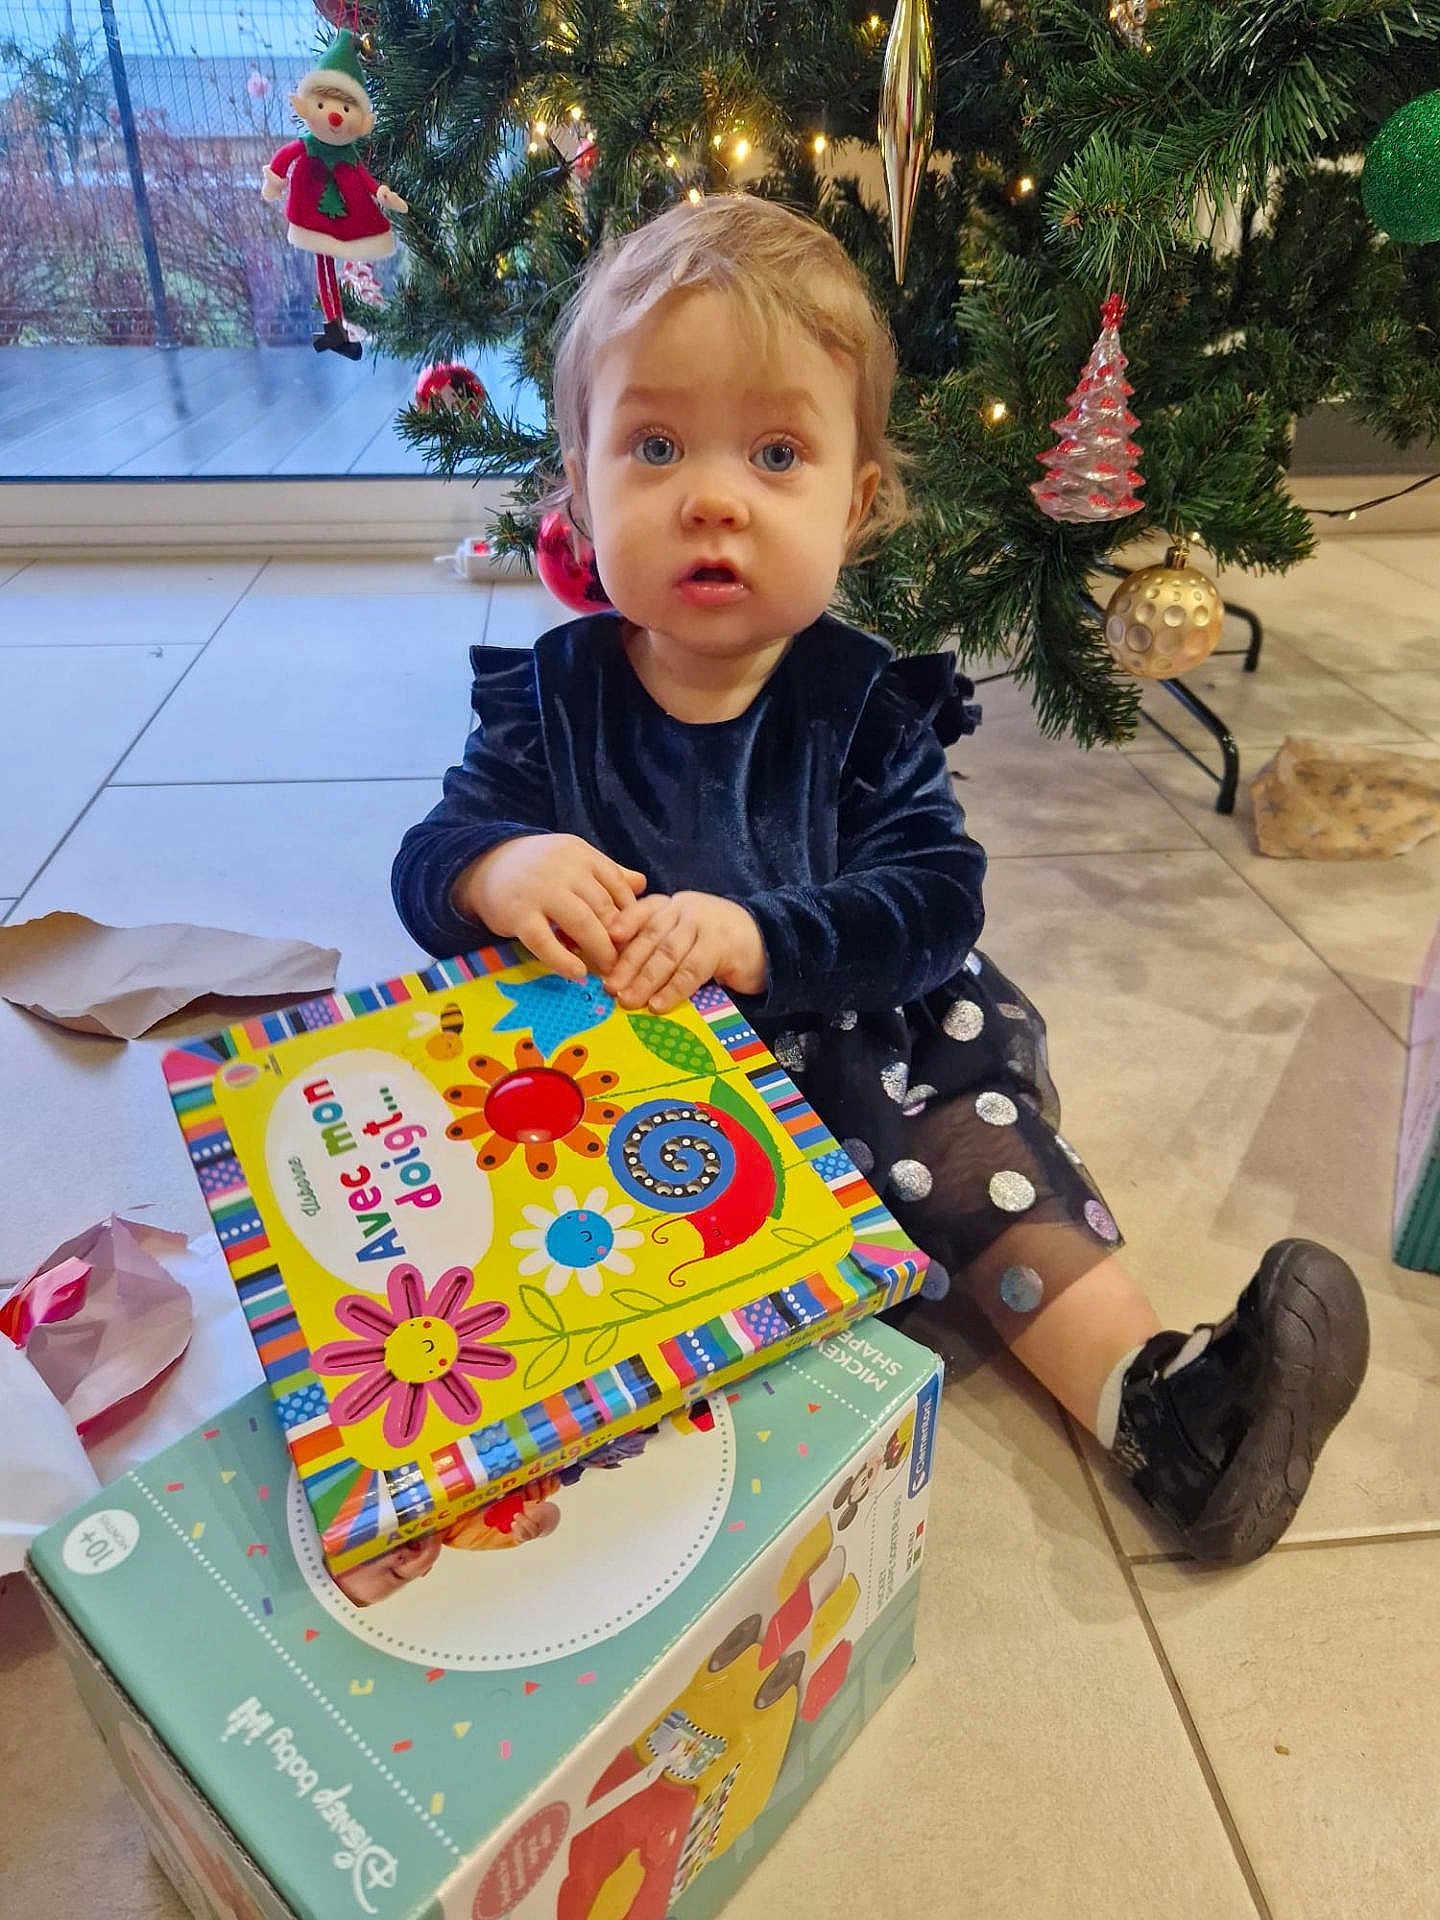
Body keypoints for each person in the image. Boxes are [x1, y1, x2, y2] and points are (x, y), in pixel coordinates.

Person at [392, 194, 1369, 1565]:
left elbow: (934, 899)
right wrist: (502, 866)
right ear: (580, 482)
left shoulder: (863, 706)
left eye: (776, 454)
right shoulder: (549, 698)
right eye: (655, 447)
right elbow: (427, 862)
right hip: (616, 1071)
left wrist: (758, 936)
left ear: (854, 507)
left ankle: (1161, 1414)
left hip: (856, 1045)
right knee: (479, 1199)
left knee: (983, 1161)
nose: (713, 497)